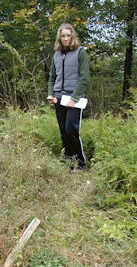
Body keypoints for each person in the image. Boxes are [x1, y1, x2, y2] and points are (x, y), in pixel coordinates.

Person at [47, 23, 90, 171]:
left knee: (71, 130)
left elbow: (84, 79)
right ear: (59, 37)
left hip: (74, 98)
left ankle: (81, 164)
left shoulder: (80, 52)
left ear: (72, 36)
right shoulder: (56, 55)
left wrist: (74, 98)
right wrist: (51, 95)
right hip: (59, 97)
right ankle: (69, 162)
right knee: (63, 132)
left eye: (68, 35)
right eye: (63, 36)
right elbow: (52, 77)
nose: (65, 38)